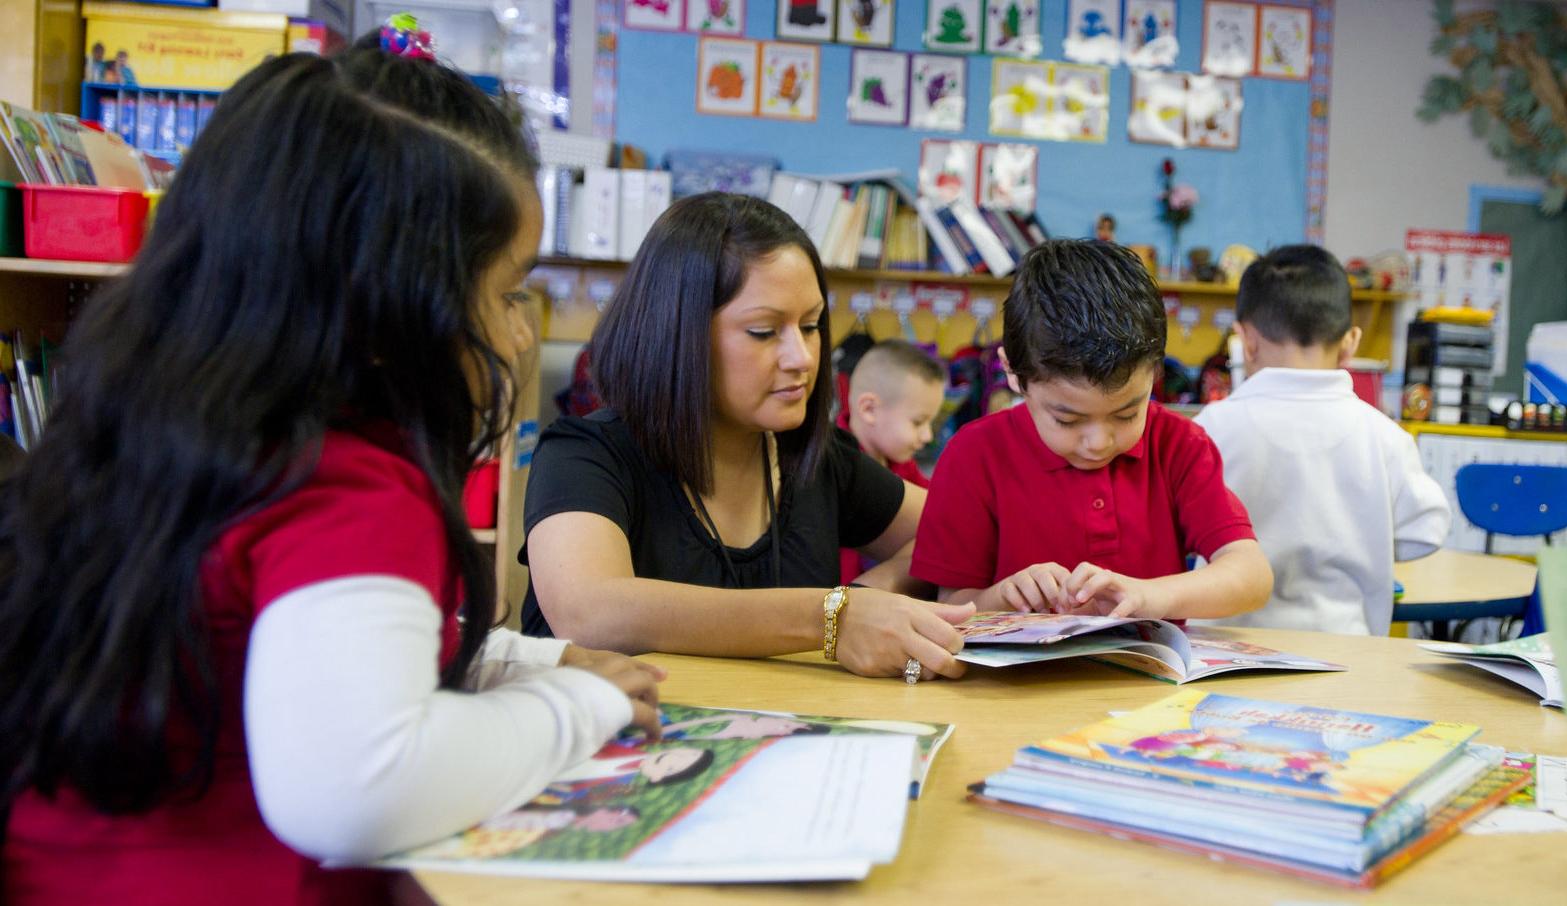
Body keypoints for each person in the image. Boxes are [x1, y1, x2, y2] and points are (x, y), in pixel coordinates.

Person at [1, 46, 663, 905]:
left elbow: (296, 642)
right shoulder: (351, 485)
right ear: (387, 308)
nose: (521, 335)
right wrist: (579, 704)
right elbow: (361, 789)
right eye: (506, 294)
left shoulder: (174, 433)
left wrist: (517, 661)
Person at [519, 192, 971, 682]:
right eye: (763, 331)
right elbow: (589, 612)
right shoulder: (584, 455)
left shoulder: (814, 461)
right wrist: (830, 617)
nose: (802, 357)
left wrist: (863, 598)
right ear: (679, 335)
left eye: (812, 325)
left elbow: (951, 529)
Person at [912, 239, 1272, 619]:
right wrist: (1003, 597)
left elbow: (1251, 575)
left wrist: (1148, 596)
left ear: (1155, 372)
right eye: (1067, 420)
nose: (1099, 442)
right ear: (1014, 375)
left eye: (1126, 414)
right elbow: (949, 605)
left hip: (1149, 676)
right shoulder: (973, 455)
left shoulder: (1179, 445)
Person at [1194, 244, 1448, 636]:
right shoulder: (1383, 436)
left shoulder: (1211, 428)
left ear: (1246, 340)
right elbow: (1425, 532)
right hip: (1346, 653)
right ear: (1350, 342)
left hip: (1225, 652)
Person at [839, 338, 944, 583]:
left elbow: (940, 508)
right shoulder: (835, 474)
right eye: (918, 422)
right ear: (869, 410)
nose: (927, 436)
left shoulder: (903, 466)